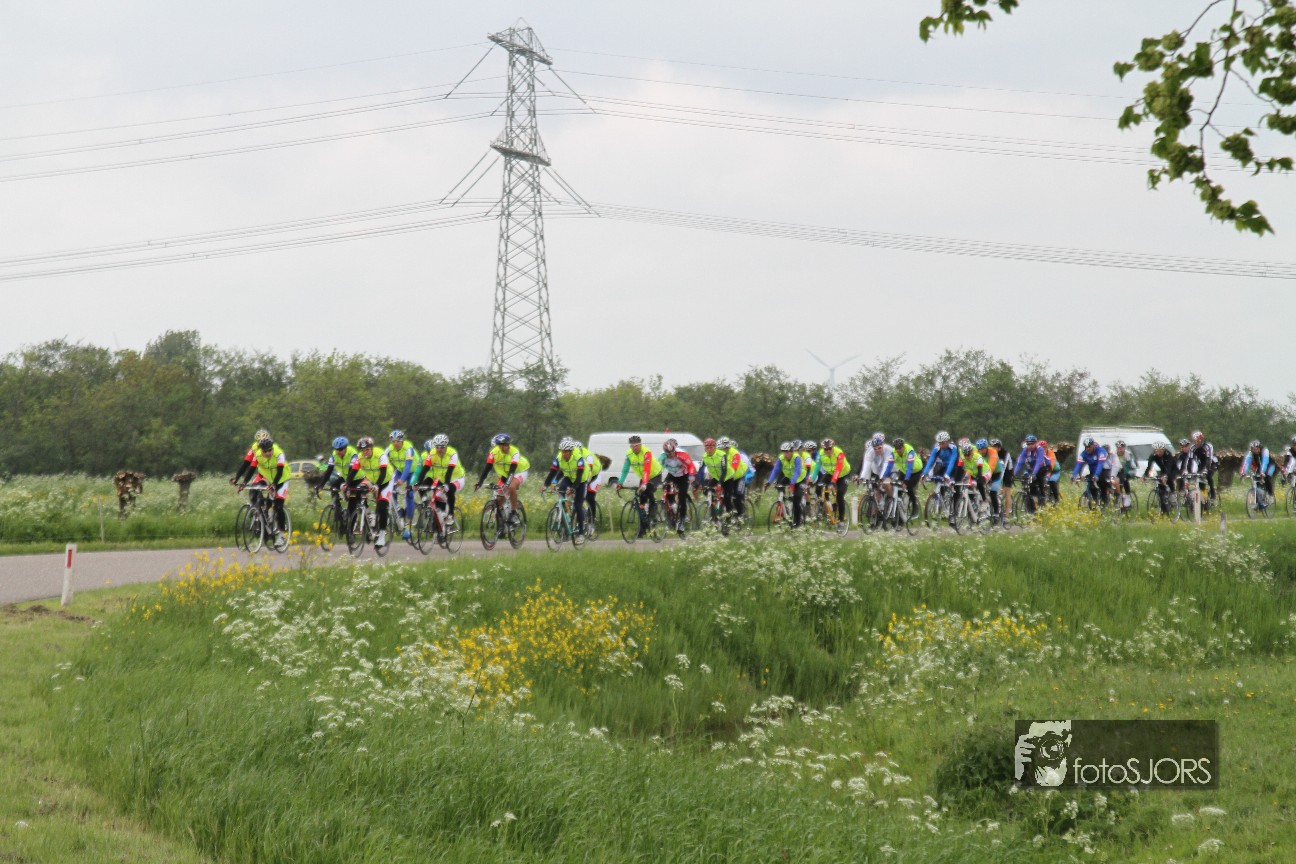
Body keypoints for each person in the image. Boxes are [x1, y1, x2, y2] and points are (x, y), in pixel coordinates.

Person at [346, 435, 392, 547]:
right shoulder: (360, 457)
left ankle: (381, 536)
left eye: (367, 449)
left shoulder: (380, 455)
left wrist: (377, 485)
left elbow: (383, 473)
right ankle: (368, 515)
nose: (365, 452)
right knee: (358, 490)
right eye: (363, 450)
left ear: (371, 448)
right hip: (371, 479)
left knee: (382, 506)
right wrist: (346, 485)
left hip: (386, 480)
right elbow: (352, 473)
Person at [413, 434, 465, 529]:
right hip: (441, 479)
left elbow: (449, 472)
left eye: (442, 447)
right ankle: (439, 524)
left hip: (456, 478)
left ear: (446, 446)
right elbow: (425, 469)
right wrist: (418, 483)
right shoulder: (432, 453)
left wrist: (446, 485)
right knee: (436, 496)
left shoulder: (452, 454)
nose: (439, 449)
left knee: (449, 490)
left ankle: (450, 515)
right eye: (437, 447)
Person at [615, 434, 663, 537]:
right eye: (632, 446)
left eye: (636, 445)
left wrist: (644, 483)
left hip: (655, 475)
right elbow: (625, 469)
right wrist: (620, 483)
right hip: (644, 477)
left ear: (640, 444)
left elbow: (647, 470)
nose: (635, 448)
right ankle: (642, 529)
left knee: (648, 491)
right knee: (641, 501)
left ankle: (653, 517)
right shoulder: (629, 454)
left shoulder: (646, 453)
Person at [544, 437, 595, 533]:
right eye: (562, 451)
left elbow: (579, 476)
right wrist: (546, 485)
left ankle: (581, 531)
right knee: (561, 488)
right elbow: (553, 472)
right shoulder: (559, 457)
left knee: (577, 505)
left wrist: (573, 488)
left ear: (571, 451)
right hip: (569, 477)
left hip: (581, 480)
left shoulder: (578, 458)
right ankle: (564, 515)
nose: (564, 454)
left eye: (566, 452)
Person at [474, 433, 530, 518]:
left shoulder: (514, 452)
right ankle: (502, 522)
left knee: (511, 487)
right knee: (499, 500)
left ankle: (514, 511)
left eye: (508, 444)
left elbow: (512, 471)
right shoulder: (493, 453)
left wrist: (507, 484)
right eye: (504, 445)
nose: (507, 447)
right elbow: (486, 469)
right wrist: (480, 482)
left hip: (520, 471)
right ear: (499, 446)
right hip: (505, 475)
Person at [250, 437, 292, 535]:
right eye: (265, 451)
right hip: (271, 479)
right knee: (267, 502)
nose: (268, 453)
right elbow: (250, 469)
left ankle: (282, 534)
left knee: (278, 506)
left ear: (272, 448)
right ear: (261, 451)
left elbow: (280, 473)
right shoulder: (258, 455)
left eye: (270, 450)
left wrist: (274, 485)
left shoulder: (279, 454)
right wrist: (243, 482)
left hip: (283, 479)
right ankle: (269, 519)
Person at [765, 441, 809, 527]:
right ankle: (785, 508)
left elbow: (797, 472)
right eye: (784, 452)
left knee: (796, 499)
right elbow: (775, 471)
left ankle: (797, 522)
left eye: (787, 452)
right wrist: (769, 482)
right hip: (788, 477)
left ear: (792, 451)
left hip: (800, 479)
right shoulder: (781, 458)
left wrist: (792, 484)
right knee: (779, 487)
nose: (785, 454)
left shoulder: (797, 458)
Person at [658, 437, 696, 532]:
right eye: (668, 453)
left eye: (672, 452)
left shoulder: (682, 454)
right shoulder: (662, 457)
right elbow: (657, 468)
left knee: (682, 497)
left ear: (675, 449)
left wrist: (691, 475)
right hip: (672, 475)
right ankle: (673, 506)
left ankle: (682, 519)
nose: (671, 455)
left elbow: (691, 465)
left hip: (683, 476)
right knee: (666, 489)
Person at [386, 429, 418, 539]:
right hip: (400, 471)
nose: (395, 443)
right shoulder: (389, 450)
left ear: (402, 441)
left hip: (413, 472)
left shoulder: (408, 449)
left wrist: (402, 480)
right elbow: (382, 464)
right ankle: (398, 511)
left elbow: (408, 466)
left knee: (409, 495)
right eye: (393, 441)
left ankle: (409, 526)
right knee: (391, 491)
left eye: (398, 441)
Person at [816, 436, 852, 523]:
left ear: (833, 447)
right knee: (818, 488)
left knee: (840, 494)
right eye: (826, 449)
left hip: (843, 474)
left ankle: (841, 519)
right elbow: (817, 467)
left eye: (830, 449)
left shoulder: (839, 453)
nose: (828, 451)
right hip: (831, 474)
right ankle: (827, 507)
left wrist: (833, 482)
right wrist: (810, 479)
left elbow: (838, 468)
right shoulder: (821, 454)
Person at [890, 437, 924, 521]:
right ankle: (899, 515)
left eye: (900, 448)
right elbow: (888, 466)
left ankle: (915, 506)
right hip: (904, 471)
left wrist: (905, 481)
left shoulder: (909, 450)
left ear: (903, 446)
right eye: (896, 448)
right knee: (897, 490)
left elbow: (909, 467)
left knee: (908, 487)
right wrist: (883, 477)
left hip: (916, 471)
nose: (898, 450)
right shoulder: (893, 452)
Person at [1071, 437, 1111, 507]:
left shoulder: (1100, 451)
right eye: (1086, 447)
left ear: (1093, 445)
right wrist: (1074, 475)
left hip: (1104, 470)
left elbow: (1100, 464)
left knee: (1102, 483)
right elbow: (1079, 465)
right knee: (1091, 485)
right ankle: (1094, 502)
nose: (1087, 449)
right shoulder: (1083, 454)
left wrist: (1096, 475)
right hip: (1093, 472)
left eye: (1089, 447)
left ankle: (1105, 501)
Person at [1014, 435, 1051, 510]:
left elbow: (1039, 462)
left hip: (1043, 467)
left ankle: (1042, 498)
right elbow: (1020, 462)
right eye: (1028, 444)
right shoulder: (1025, 450)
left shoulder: (1040, 449)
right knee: (1027, 481)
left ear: (1035, 443)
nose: (1030, 446)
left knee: (1038, 478)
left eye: (1032, 444)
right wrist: (1013, 473)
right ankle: (1031, 506)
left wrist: (1034, 474)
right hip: (1032, 468)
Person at [1142, 441, 1179, 514]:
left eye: (1160, 451)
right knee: (1160, 490)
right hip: (1163, 470)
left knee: (1169, 479)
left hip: (1172, 469)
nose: (1159, 453)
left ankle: (1172, 493)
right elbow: (1149, 466)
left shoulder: (1168, 454)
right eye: (1157, 451)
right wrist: (1145, 475)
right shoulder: (1153, 455)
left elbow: (1169, 467)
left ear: (1164, 450)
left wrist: (1166, 476)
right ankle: (1164, 509)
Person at [1191, 430, 1219, 504]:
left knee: (1208, 476)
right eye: (1195, 441)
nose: (1196, 442)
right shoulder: (1193, 448)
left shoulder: (1207, 446)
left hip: (1211, 463)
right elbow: (1191, 460)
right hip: (1201, 464)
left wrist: (1205, 469)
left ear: (1201, 439)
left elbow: (1208, 459)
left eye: (1198, 441)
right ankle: (1204, 499)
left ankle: (1213, 494)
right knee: (1200, 481)